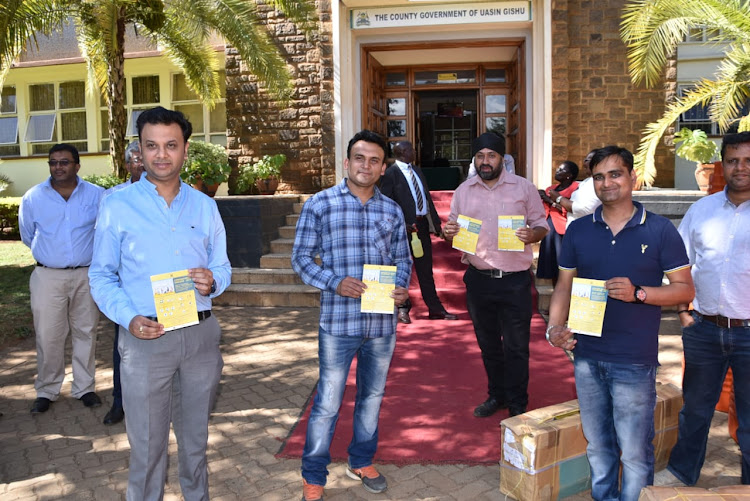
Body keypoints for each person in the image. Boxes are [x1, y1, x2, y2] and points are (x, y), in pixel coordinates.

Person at [88, 106, 231, 500]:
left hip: (201, 337)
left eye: (171, 145)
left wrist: (215, 279)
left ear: (186, 150)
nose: (161, 155)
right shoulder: (117, 205)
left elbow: (223, 266)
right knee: (148, 448)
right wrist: (128, 319)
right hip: (145, 338)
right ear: (140, 149)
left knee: (195, 442)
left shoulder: (205, 206)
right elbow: (100, 275)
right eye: (152, 146)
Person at [546, 146, 694, 501]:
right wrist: (555, 328)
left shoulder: (659, 230)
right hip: (586, 354)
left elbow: (685, 289)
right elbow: (564, 286)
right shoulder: (580, 230)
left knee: (635, 450)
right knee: (597, 445)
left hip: (632, 359)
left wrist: (639, 293)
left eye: (616, 174)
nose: (607, 182)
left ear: (633, 178)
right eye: (599, 176)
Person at [291, 130, 412, 501]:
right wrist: (333, 282)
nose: (366, 165)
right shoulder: (320, 204)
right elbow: (299, 259)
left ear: (382, 167)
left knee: (372, 397)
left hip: (380, 325)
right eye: (360, 158)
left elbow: (402, 259)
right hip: (338, 323)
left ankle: (361, 460)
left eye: (374, 160)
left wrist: (403, 288)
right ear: (347, 162)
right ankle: (314, 474)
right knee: (327, 401)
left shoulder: (391, 209)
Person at [442, 132, 548, 418]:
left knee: (516, 347)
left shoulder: (524, 188)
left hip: (514, 281)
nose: (485, 161)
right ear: (474, 159)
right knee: (488, 345)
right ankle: (496, 396)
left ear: (502, 158)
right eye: (480, 156)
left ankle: (517, 402)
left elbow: (541, 225)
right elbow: (453, 228)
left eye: (491, 155)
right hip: (478, 279)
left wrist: (531, 235)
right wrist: (447, 231)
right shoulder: (464, 190)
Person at [666, 131, 750, 486]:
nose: (740, 168)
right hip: (703, 329)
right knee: (695, 412)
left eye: (748, 161)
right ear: (722, 164)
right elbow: (679, 265)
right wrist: (685, 313)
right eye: (733, 160)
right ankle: (683, 474)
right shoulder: (701, 210)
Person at [19, 143, 104, 415]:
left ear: (77, 165)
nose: (58, 167)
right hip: (48, 276)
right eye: (53, 162)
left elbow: (104, 233)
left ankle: (85, 388)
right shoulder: (34, 197)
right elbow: (27, 235)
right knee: (48, 335)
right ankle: (47, 389)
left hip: (86, 274)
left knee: (86, 331)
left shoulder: (97, 195)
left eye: (64, 162)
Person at [380, 140, 457, 323]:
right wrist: (400, 224)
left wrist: (436, 225)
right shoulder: (391, 174)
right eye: (411, 149)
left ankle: (435, 309)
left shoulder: (417, 170)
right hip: (401, 231)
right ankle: (402, 309)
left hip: (420, 228)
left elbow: (426, 199)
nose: (414, 151)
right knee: (400, 270)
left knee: (425, 270)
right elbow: (386, 205)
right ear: (402, 152)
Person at [101, 140, 143, 426]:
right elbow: (105, 249)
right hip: (129, 290)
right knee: (124, 350)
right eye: (136, 159)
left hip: (169, 290)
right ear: (127, 164)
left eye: (146, 157)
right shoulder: (113, 198)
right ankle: (120, 402)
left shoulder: (182, 195)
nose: (141, 163)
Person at [536, 161, 580, 284]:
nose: (557, 171)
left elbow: (572, 209)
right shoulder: (551, 189)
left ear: (569, 175)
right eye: (557, 169)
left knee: (563, 264)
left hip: (563, 231)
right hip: (548, 231)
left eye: (561, 170)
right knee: (552, 266)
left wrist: (550, 201)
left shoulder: (575, 188)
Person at [550, 149, 601, 228]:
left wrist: (559, 198)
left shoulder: (596, 183)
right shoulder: (586, 182)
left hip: (584, 230)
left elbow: (585, 209)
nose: (584, 163)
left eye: (587, 160)